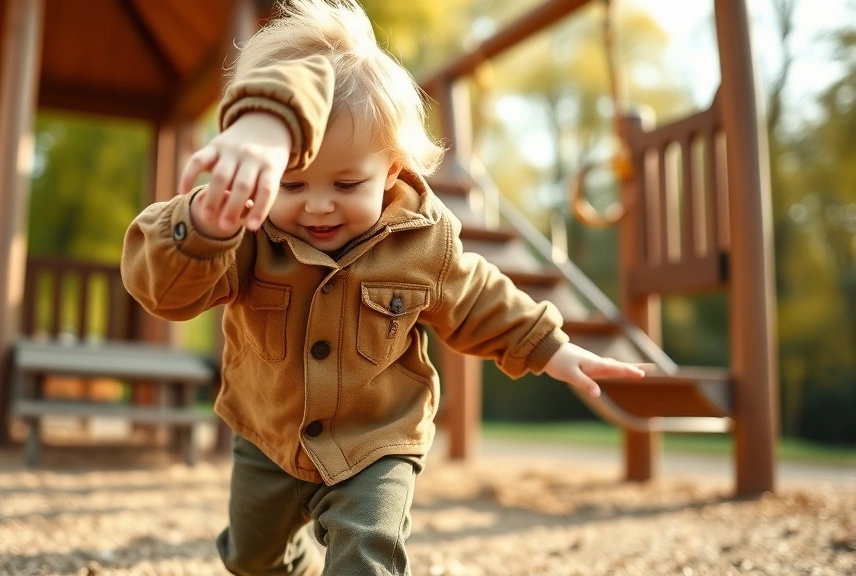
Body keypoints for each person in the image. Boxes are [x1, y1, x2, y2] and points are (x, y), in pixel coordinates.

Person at [121, 1, 645, 573]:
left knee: (366, 553)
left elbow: (478, 299)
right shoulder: (247, 232)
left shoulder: (422, 245)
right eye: (292, 184)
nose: (319, 204)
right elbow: (166, 292)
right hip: (269, 435)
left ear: (392, 170)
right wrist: (202, 226)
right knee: (252, 560)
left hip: (377, 443)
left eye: (346, 183)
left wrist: (552, 348)